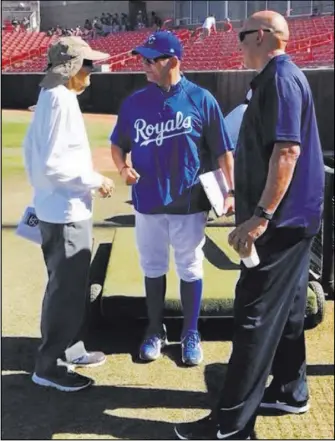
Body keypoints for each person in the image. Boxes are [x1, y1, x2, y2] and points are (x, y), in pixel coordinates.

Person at [175, 10, 324, 440]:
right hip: (294, 219)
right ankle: (291, 391)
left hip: (281, 223)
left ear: (262, 36)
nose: (237, 44)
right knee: (291, 310)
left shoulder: (280, 77)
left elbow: (287, 152)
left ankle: (230, 426)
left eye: (242, 36)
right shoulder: (278, 77)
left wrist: (260, 217)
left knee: (254, 314)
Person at [110, 31, 235, 366]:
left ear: (174, 61)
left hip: (189, 202)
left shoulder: (201, 99)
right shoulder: (135, 102)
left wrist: (230, 191)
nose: (145, 65)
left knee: (190, 267)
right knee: (152, 266)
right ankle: (154, 329)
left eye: (153, 59)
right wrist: (123, 169)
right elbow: (118, 143)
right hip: (148, 201)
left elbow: (224, 151)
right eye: (143, 59)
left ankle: (190, 332)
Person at [23, 36, 115, 392]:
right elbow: (53, 164)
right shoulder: (59, 99)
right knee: (66, 291)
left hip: (59, 207)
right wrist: (96, 180)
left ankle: (71, 349)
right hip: (64, 212)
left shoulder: (53, 96)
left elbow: (37, 157)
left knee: (68, 287)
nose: (93, 71)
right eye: (88, 65)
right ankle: (50, 365)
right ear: (72, 67)